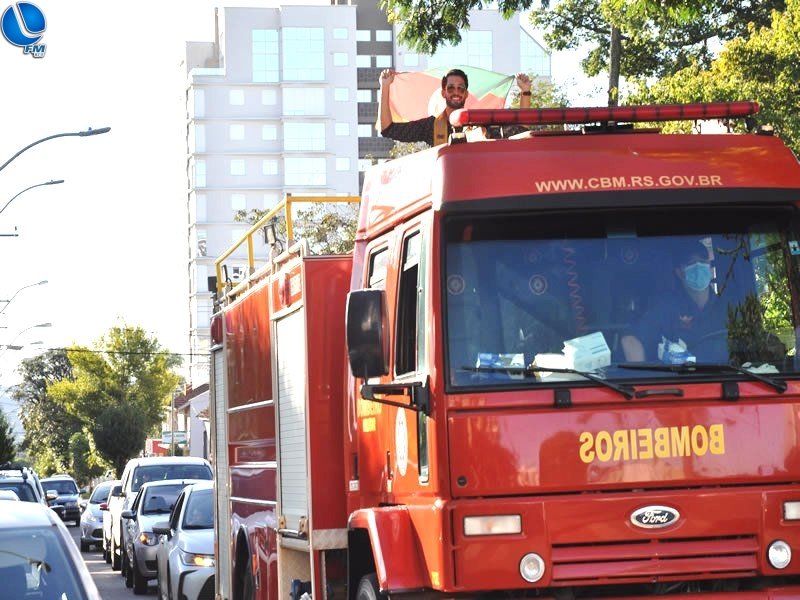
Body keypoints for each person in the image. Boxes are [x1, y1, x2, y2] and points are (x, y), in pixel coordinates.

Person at [620, 238, 729, 362]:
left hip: (728, 379)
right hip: (677, 380)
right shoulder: (665, 308)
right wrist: (641, 379)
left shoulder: (730, 308)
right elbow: (630, 341)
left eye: (703, 262)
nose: (698, 267)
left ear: (710, 269)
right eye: (691, 263)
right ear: (679, 272)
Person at [378, 68, 532, 146]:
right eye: (451, 88)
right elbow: (387, 129)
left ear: (466, 94)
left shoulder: (479, 125)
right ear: (444, 93)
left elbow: (521, 129)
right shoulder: (431, 126)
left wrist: (525, 92)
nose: (456, 92)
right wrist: (385, 87)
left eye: (461, 88)